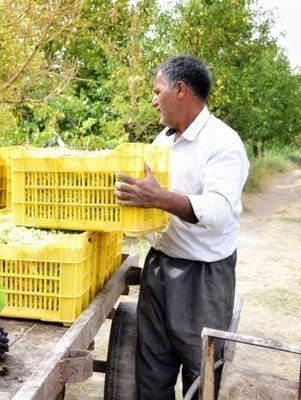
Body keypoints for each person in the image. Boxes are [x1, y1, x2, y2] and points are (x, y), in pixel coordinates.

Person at [114, 54, 249, 399]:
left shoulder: (223, 142)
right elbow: (149, 199)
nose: (152, 99)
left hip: (202, 276)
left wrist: (159, 198)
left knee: (200, 374)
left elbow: (218, 210)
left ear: (179, 90)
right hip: (159, 266)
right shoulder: (163, 142)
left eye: (157, 91)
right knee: (151, 369)